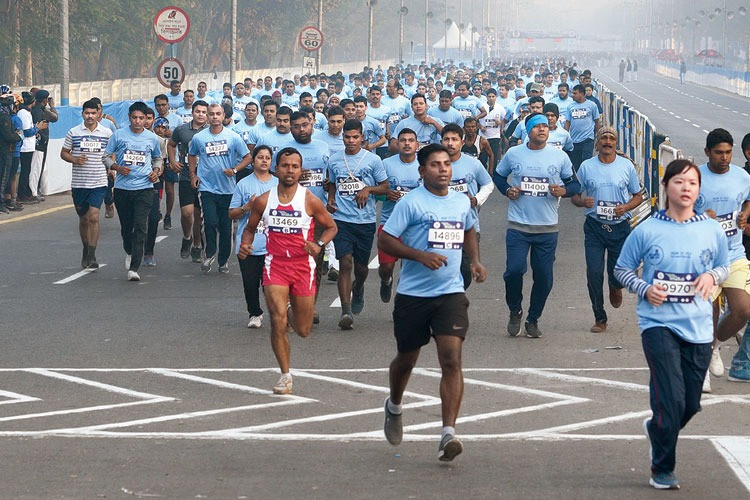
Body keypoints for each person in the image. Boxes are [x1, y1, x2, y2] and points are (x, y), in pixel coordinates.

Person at [614, 159, 729, 490]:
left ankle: (656, 430)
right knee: (671, 399)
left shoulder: (710, 229)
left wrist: (711, 275)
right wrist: (645, 288)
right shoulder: (647, 230)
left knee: (690, 404)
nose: (686, 188)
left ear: (698, 190)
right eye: (679, 182)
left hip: (698, 327)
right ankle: (662, 468)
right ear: (666, 187)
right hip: (658, 324)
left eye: (692, 183)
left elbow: (723, 266)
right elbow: (622, 270)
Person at [379, 143, 487, 462]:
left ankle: (448, 434)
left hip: (451, 293)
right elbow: (385, 239)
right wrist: (419, 255)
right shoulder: (411, 203)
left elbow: (468, 229)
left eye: (446, 164)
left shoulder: (460, 201)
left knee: (451, 359)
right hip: (413, 295)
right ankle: (395, 405)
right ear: (422, 170)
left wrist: (475, 261)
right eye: (435, 165)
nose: (443, 169)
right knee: (406, 360)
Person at [238, 147, 337, 394]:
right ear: (276, 168)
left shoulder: (309, 200)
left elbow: (331, 227)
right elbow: (249, 228)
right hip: (276, 266)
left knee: (303, 330)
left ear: (301, 170)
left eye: (294, 166)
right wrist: (245, 244)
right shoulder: (264, 200)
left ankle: (294, 310)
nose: (290, 170)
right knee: (277, 319)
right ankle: (285, 376)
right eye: (285, 165)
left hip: (303, 267)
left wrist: (319, 244)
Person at [494, 113, 579, 338]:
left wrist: (564, 191)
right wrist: (507, 190)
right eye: (537, 126)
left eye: (545, 126)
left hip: (547, 227)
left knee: (543, 277)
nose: (542, 129)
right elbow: (499, 176)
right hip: (518, 225)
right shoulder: (514, 154)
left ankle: (533, 318)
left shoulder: (559, 156)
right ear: (528, 131)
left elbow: (574, 185)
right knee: (513, 271)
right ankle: (515, 310)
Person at [693, 129, 750, 391]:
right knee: (709, 311)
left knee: (743, 310)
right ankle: (701, 365)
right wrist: (700, 217)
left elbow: (747, 200)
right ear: (707, 152)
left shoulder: (742, 176)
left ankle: (713, 346)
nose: (724, 157)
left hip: (735, 253)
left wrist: (744, 216)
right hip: (705, 259)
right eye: (719, 153)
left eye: (728, 152)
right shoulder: (693, 178)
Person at [571, 126, 642, 332]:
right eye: (604, 138)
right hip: (594, 227)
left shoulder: (626, 167)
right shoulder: (586, 166)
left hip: (620, 228)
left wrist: (626, 207)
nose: (608, 142)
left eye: (611, 138)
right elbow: (574, 194)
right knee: (593, 273)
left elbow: (637, 195)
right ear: (597, 143)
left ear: (616, 143)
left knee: (617, 273)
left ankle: (615, 285)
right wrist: (582, 202)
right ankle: (599, 318)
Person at [326, 119, 389, 329]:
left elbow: (385, 187)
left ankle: (359, 287)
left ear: (362, 137)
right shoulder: (335, 160)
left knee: (361, 268)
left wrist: (368, 190)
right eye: (347, 137)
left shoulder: (372, 160)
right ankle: (346, 311)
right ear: (342, 137)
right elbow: (333, 183)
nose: (351, 141)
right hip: (342, 220)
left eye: (355, 137)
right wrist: (331, 199)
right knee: (345, 262)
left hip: (365, 220)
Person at [188, 103, 252, 274]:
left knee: (225, 227)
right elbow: (192, 154)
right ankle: (209, 254)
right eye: (211, 114)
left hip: (228, 190)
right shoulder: (199, 138)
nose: (214, 117)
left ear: (224, 116)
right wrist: (193, 175)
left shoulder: (233, 137)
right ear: (207, 117)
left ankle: (223, 261)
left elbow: (247, 156)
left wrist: (235, 170)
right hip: (207, 188)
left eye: (218, 114)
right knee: (209, 221)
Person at [103, 101, 163, 281]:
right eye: (134, 117)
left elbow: (157, 158)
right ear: (129, 118)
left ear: (146, 120)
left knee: (140, 226)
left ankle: (134, 268)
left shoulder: (151, 138)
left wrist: (155, 171)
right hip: (123, 188)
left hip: (144, 188)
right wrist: (116, 167)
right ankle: (129, 251)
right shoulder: (119, 135)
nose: (138, 121)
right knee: (126, 227)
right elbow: (105, 156)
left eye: (141, 118)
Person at [229, 145, 278, 328]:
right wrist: (247, 207)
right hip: (248, 243)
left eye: (267, 158)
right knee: (250, 284)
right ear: (253, 160)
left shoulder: (278, 184)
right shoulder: (243, 184)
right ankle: (255, 313)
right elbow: (231, 213)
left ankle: (277, 313)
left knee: (271, 285)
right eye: (260, 157)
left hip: (273, 244)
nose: (264, 160)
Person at [60, 99, 113, 268]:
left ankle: (92, 254)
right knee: (83, 220)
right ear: (82, 114)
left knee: (94, 217)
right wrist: (75, 159)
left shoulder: (106, 133)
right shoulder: (73, 132)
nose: (90, 116)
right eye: (87, 113)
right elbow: (64, 153)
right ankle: (86, 249)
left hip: (98, 181)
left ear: (98, 114)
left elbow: (112, 153)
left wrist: (112, 167)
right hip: (79, 183)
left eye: (93, 113)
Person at [441, 123, 494, 289]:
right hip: (440, 226)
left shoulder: (473, 163)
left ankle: (453, 298)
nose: (450, 143)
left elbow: (488, 184)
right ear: (441, 142)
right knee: (441, 270)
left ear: (461, 142)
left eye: (454, 139)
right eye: (446, 139)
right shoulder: (435, 163)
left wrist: (477, 199)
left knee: (465, 272)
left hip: (468, 226)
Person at [378, 127, 421, 302]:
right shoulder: (386, 164)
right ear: (397, 143)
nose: (407, 144)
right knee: (386, 267)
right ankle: (386, 280)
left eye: (411, 140)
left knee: (409, 267)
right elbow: (374, 190)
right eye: (403, 140)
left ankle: (403, 299)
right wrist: (385, 194)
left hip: (416, 225)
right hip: (390, 223)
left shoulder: (424, 165)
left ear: (417, 144)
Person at [168, 100, 209, 262]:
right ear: (192, 112)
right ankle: (187, 238)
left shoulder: (212, 131)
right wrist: (172, 161)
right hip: (186, 176)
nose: (201, 115)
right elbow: (171, 145)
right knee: (187, 213)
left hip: (205, 179)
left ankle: (197, 246)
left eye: (204, 112)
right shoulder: (182, 130)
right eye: (198, 111)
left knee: (199, 216)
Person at [729, 133, 750, 381]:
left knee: (741, 309)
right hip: (742, 252)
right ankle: (742, 362)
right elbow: (739, 223)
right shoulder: (741, 181)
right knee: (743, 309)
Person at [564, 84, 601, 172]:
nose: (572, 95)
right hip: (574, 140)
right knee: (576, 164)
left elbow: (597, 122)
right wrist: (565, 136)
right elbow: (567, 122)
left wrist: (599, 138)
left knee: (586, 162)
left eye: (575, 93)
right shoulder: (570, 106)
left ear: (581, 94)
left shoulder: (592, 105)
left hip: (588, 139)